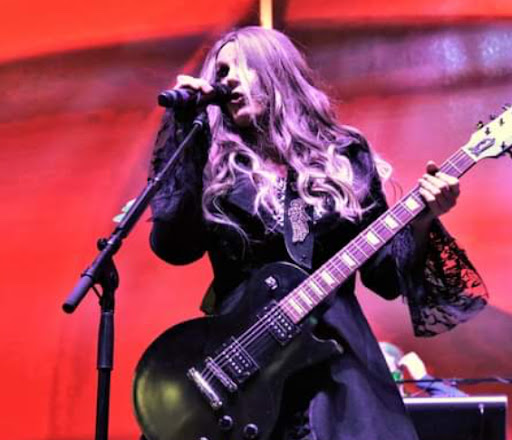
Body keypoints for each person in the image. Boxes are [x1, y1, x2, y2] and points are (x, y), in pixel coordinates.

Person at [148, 26, 488, 440]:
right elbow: (174, 247)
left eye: (241, 67)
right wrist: (186, 131)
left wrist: (422, 220)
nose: (229, 79)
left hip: (336, 367)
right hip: (243, 372)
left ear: (277, 73)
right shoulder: (213, 164)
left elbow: (383, 277)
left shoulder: (343, 155)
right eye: (220, 71)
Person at [379, 342, 469, 398]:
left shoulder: (418, 405)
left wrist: (423, 378)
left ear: (400, 373)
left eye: (385, 370)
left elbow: (461, 401)